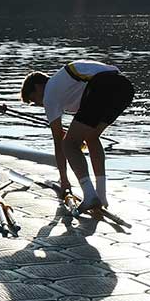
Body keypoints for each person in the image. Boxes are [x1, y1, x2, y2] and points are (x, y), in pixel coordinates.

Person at [20, 60, 135, 218]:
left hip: (103, 86)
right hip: (124, 88)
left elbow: (58, 141)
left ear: (38, 87)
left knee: (68, 144)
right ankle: (101, 195)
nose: (39, 104)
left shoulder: (50, 94)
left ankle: (89, 195)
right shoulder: (66, 86)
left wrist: (64, 180)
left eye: (35, 100)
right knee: (92, 137)